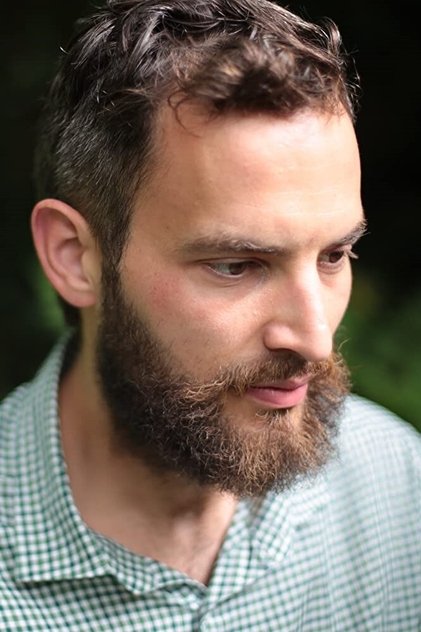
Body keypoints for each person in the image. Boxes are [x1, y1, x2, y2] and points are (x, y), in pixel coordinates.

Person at [0, 0, 420, 629]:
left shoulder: (397, 485)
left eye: (334, 256)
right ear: (74, 256)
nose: (313, 338)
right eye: (235, 265)